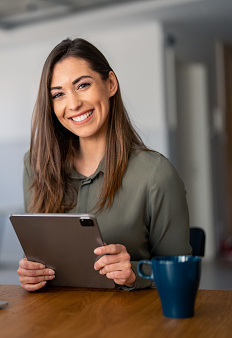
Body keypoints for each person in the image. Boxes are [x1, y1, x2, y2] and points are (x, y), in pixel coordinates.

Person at [17, 38, 192, 291]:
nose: (73, 103)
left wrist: (134, 272)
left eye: (83, 85)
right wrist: (32, 273)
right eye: (58, 94)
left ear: (110, 83)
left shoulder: (155, 174)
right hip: (54, 321)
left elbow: (181, 274)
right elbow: (38, 256)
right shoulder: (35, 165)